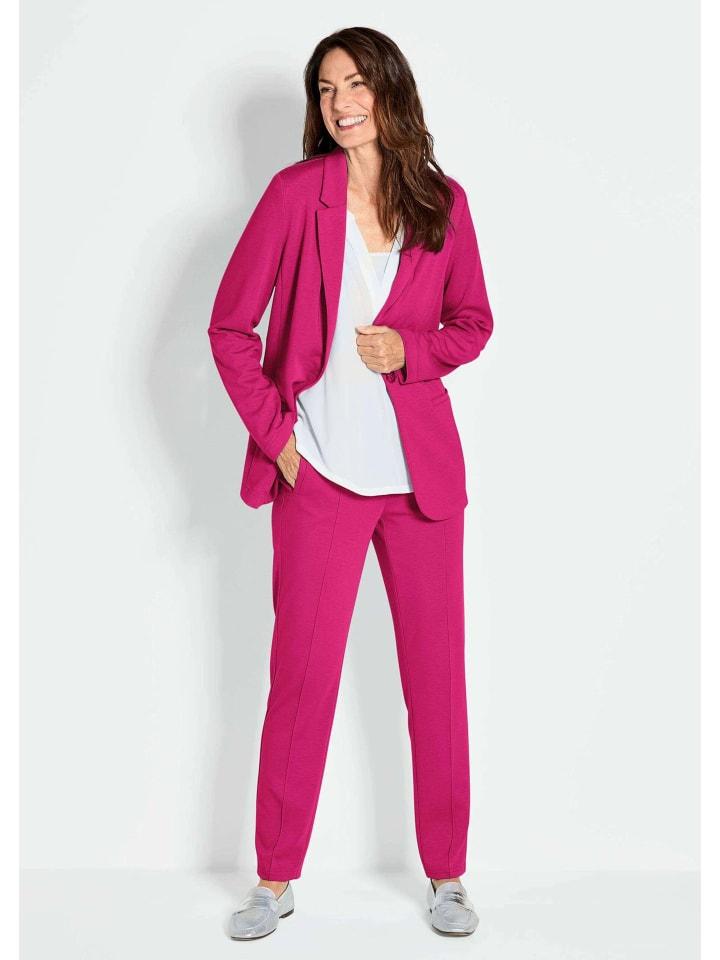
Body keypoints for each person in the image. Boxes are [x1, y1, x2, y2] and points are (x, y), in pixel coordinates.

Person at [207, 26, 494, 939]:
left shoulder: (442, 201)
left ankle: (448, 875)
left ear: (389, 89)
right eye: (327, 88)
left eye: (357, 83)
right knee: (300, 682)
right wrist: (280, 439)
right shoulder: (297, 196)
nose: (341, 103)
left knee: (436, 682)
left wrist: (410, 350)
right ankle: (274, 880)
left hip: (419, 485)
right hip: (320, 476)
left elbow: (473, 322)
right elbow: (229, 328)